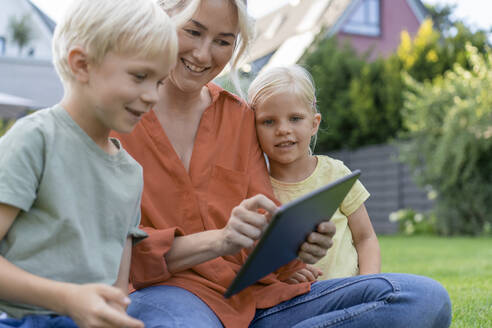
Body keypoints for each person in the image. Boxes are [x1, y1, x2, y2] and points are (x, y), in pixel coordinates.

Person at [114, 0, 452, 327]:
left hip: (260, 300)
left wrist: (296, 246)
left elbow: (264, 224)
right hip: (172, 297)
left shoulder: (239, 118)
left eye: (222, 41)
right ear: (162, 17)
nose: (203, 54)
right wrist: (220, 241)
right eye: (193, 31)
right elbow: (116, 256)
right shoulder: (115, 119)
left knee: (423, 298)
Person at [0, 0, 177, 327]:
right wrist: (68, 299)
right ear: (81, 65)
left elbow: (118, 290)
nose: (152, 95)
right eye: (140, 76)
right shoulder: (35, 139)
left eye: (160, 82)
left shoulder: (131, 173)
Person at [248, 65, 381, 282]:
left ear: (314, 123)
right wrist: (281, 275)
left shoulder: (336, 174)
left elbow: (365, 238)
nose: (283, 129)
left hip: (348, 293)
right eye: (268, 121)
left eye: (295, 118)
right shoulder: (253, 187)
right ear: (253, 128)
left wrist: (368, 284)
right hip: (293, 303)